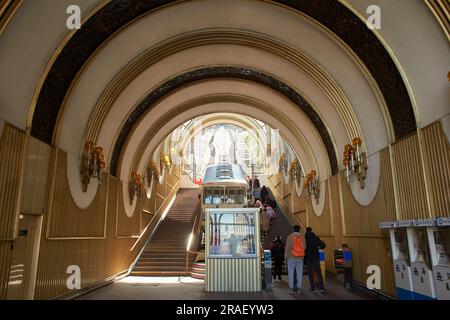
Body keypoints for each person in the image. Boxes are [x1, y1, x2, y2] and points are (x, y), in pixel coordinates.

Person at [285, 225, 305, 294]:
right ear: (299, 230)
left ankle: (291, 289)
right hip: (300, 258)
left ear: (293, 229)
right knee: (299, 273)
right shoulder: (302, 237)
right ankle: (299, 289)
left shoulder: (289, 237)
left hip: (291, 258)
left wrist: (287, 257)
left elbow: (287, 248)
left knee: (291, 273)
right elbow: (304, 247)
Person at [305, 227, 326, 293]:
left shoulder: (305, 238)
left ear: (306, 231)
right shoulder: (315, 238)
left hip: (309, 258)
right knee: (319, 273)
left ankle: (313, 288)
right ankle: (321, 288)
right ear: (311, 230)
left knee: (311, 274)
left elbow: (304, 248)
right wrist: (319, 246)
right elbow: (323, 245)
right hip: (316, 258)